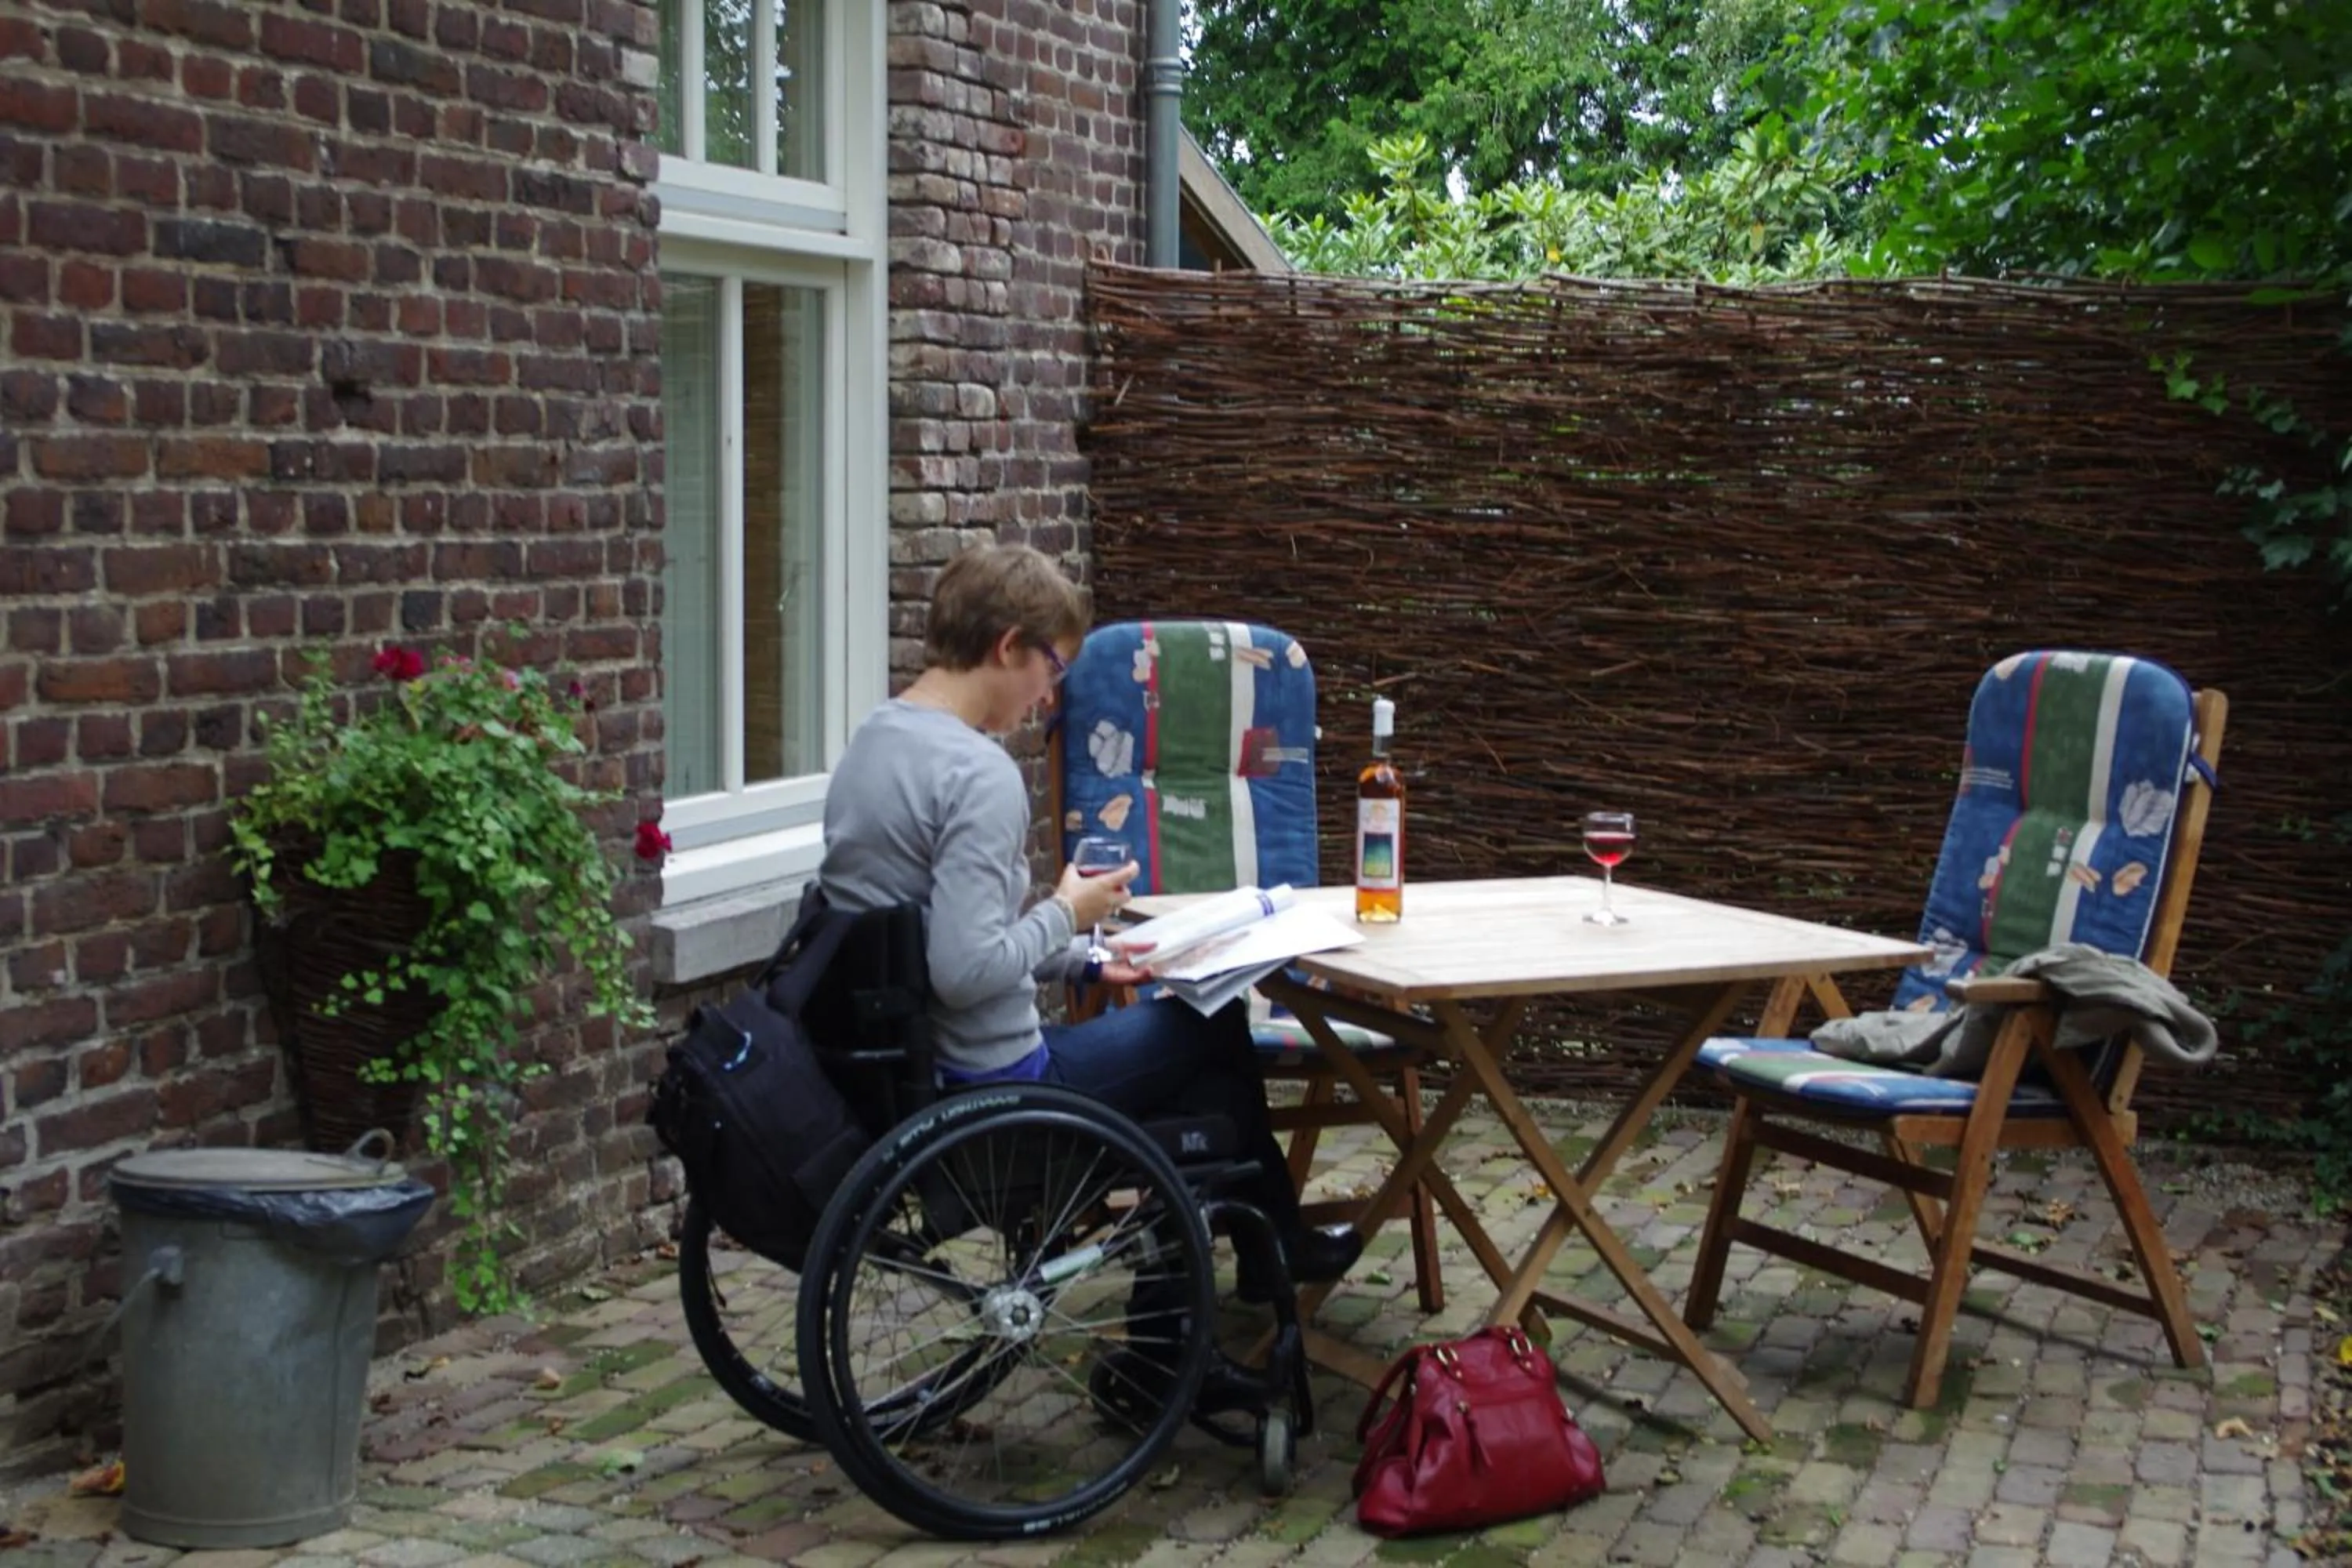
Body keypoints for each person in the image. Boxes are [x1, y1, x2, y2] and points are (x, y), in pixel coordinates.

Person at [816, 543, 1363, 1323]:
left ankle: (1210, 1299)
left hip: (907, 1072)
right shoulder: (977, 776)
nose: (1049, 698)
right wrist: (1068, 912)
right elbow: (966, 968)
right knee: (1208, 1032)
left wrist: (1085, 956)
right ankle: (1238, 1273)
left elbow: (940, 937)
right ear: (1009, 646)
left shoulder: (875, 739)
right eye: (1052, 669)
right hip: (994, 1086)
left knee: (1194, 1059)